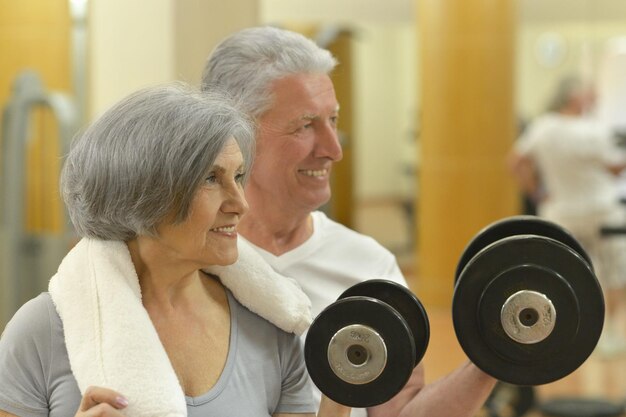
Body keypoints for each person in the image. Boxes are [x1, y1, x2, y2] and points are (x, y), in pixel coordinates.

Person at [0, 83, 350, 417]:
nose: (240, 203)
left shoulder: (270, 328)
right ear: (142, 194)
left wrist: (344, 395)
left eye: (238, 176)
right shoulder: (40, 332)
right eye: (210, 178)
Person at [202, 26, 497, 417]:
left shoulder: (367, 266)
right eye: (306, 125)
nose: (333, 149)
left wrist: (494, 357)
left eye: (333, 120)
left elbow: (399, 413)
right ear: (237, 133)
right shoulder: (187, 259)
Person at [508, 75, 626, 355]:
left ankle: (567, 331)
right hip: (602, 212)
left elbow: (515, 162)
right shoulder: (593, 130)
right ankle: (608, 334)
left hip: (561, 215)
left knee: (566, 274)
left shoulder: (543, 127)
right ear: (575, 97)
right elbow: (615, 169)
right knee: (613, 274)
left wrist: (537, 192)